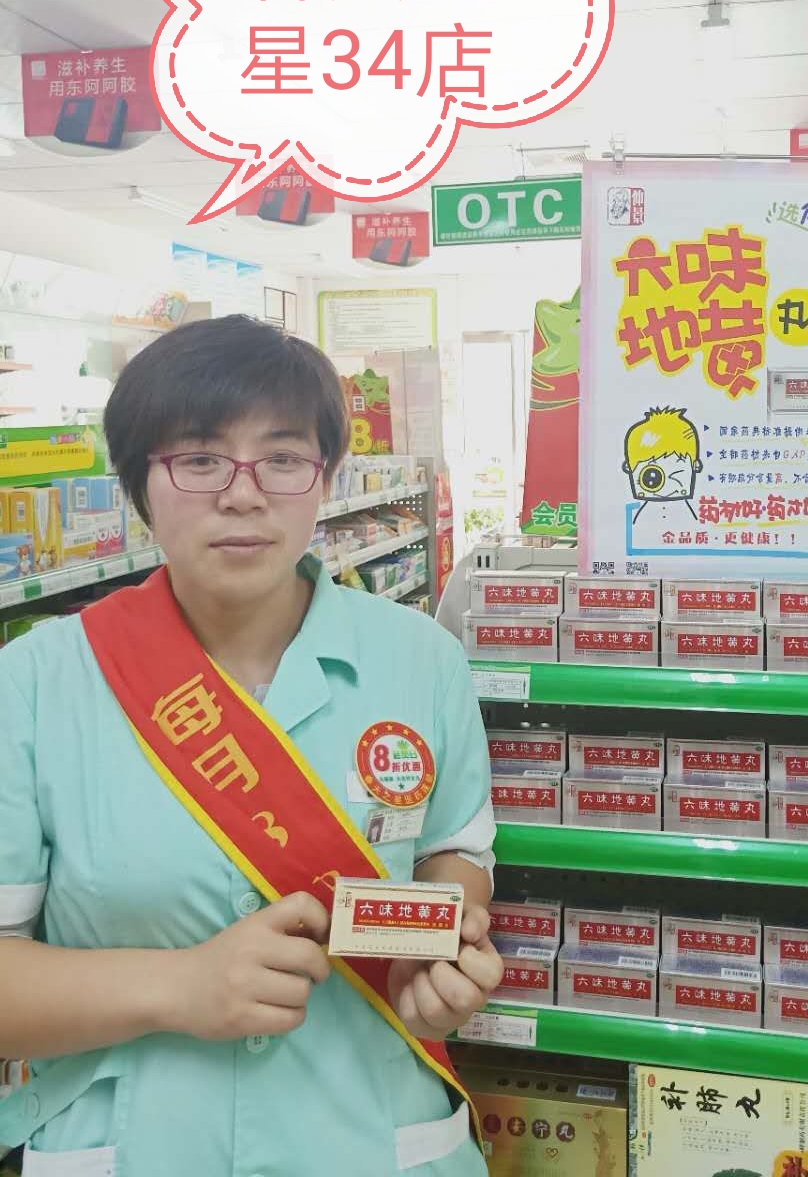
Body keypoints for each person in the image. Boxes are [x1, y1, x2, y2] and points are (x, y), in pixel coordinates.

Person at [0, 315, 501, 1176]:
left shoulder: (423, 659)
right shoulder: (37, 681)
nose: (243, 495)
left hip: (377, 1138)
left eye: (282, 457)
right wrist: (179, 987)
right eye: (199, 460)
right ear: (137, 483)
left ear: (326, 477)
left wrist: (439, 962)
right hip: (139, 1147)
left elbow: (455, 852)